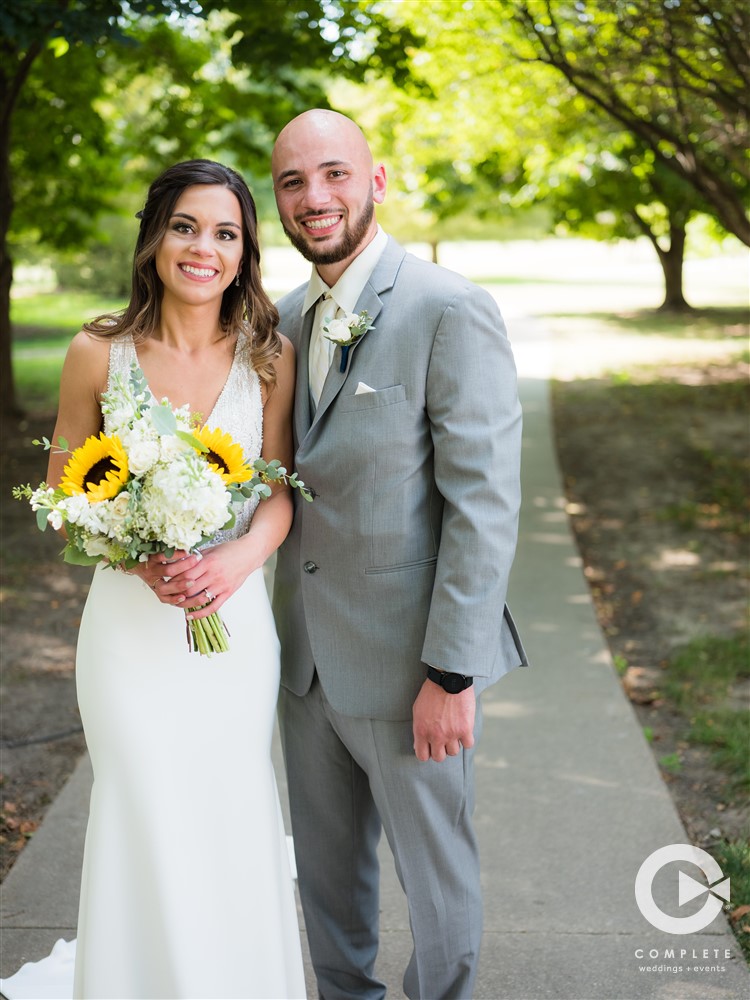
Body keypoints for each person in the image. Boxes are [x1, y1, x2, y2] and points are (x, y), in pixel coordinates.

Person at [17, 160, 305, 999]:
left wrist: (237, 561)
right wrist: (138, 554)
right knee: (141, 810)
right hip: (128, 634)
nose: (203, 248)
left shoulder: (270, 356)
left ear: (245, 252)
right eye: (185, 226)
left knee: (228, 808)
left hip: (234, 628)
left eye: (225, 232)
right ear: (153, 240)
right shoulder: (95, 352)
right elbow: (66, 496)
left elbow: (280, 490)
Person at [271, 110, 528, 1000]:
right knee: (328, 891)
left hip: (411, 670)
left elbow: (484, 505)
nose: (315, 198)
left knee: (438, 890)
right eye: (294, 183)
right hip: (305, 667)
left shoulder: (447, 308)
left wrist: (452, 674)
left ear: (375, 182)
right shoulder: (283, 321)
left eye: (335, 174)